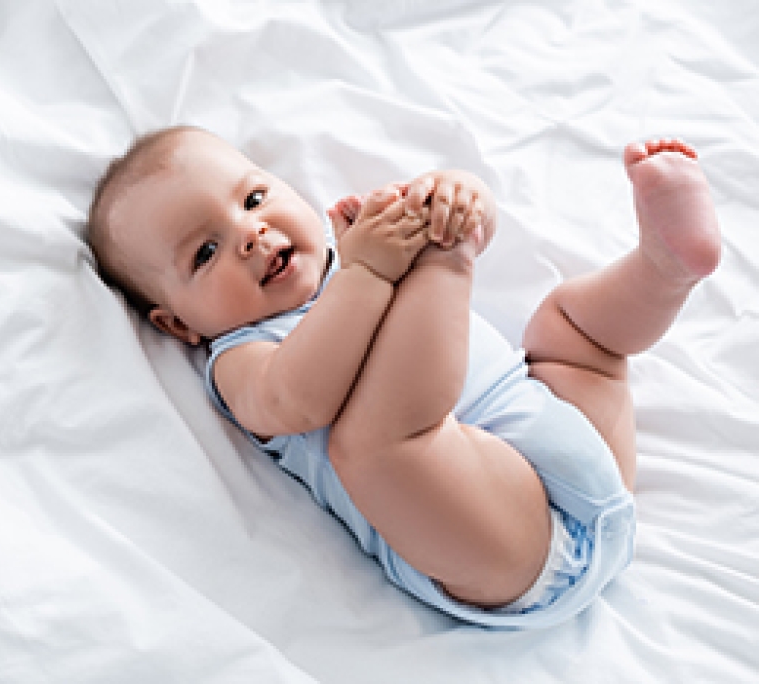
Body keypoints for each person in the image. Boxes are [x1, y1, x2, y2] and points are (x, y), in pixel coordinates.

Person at [85, 126, 721, 628]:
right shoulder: (241, 355)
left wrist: (457, 202)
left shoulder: (363, 237)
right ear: (178, 325)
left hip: (566, 436)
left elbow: (469, 219)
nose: (250, 234)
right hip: (503, 545)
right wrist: (380, 272)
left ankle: (663, 269)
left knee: (576, 336)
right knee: (373, 445)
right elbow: (296, 400)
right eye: (205, 253)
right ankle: (454, 267)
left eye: (253, 200)